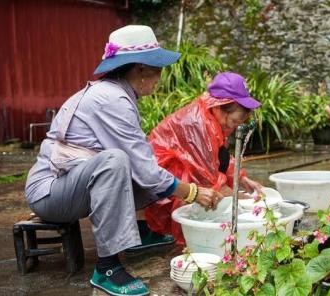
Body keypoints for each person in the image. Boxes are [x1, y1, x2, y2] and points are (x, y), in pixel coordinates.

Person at [24, 25, 222, 296]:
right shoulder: (112, 100)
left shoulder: (118, 94)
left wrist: (175, 184)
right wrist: (193, 192)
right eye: (157, 69)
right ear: (140, 70)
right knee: (116, 162)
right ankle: (107, 268)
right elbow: (144, 172)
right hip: (50, 193)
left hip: (71, 182)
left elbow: (146, 167)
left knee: (150, 165)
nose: (160, 77)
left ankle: (140, 233)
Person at [144, 72, 263, 244]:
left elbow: (218, 158)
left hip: (175, 171)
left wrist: (242, 179)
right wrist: (245, 200)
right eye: (236, 120)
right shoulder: (198, 125)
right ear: (221, 107)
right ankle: (185, 233)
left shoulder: (212, 118)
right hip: (159, 177)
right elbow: (207, 182)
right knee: (209, 192)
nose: (238, 125)